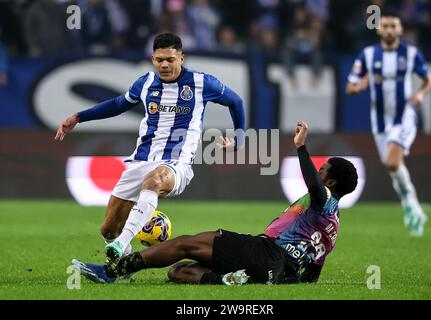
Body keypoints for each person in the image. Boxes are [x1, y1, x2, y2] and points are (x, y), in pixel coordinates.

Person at [72, 120, 358, 285]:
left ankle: (111, 271)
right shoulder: (332, 227)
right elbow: (312, 277)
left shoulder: (324, 198)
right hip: (275, 271)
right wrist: (281, 280)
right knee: (178, 271)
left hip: (265, 252)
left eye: (323, 172)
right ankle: (232, 279)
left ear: (331, 183)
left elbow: (313, 185)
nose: (317, 173)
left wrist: (301, 147)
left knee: (185, 242)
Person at [55, 33, 245, 263]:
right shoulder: (144, 83)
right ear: (152, 58)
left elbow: (236, 102)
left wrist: (239, 139)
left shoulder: (202, 83)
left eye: (170, 59)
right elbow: (117, 105)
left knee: (154, 182)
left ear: (181, 58)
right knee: (108, 229)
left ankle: (122, 243)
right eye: (159, 60)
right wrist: (78, 117)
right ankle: (120, 262)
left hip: (177, 163)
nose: (164, 65)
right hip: (141, 160)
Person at [346, 11, 431, 237]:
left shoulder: (411, 54)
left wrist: (421, 94)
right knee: (392, 168)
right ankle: (412, 208)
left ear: (400, 30)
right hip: (380, 123)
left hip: (404, 116)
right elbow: (350, 87)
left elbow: (429, 80)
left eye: (393, 26)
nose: (388, 30)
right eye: (384, 26)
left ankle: (411, 205)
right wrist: (360, 86)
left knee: (393, 162)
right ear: (378, 30)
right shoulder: (367, 55)